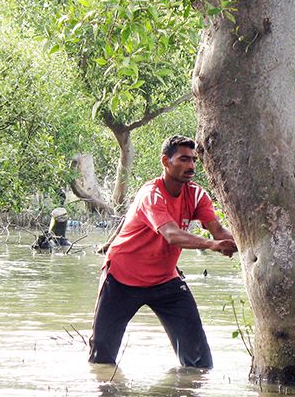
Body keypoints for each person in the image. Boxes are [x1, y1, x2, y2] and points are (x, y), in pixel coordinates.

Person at [89, 135, 237, 368]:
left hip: (165, 281)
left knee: (200, 362)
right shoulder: (151, 194)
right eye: (184, 159)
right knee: (102, 360)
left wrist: (244, 244)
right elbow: (171, 234)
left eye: (194, 161)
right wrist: (211, 245)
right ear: (165, 162)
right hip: (121, 279)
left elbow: (218, 230)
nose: (191, 166)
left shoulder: (197, 194)